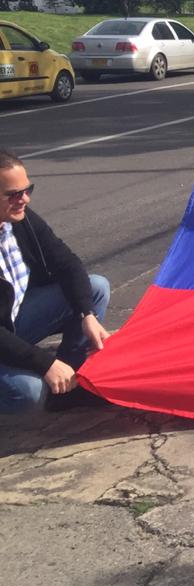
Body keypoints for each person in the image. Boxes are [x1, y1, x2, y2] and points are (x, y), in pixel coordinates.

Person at [0, 150, 111, 413]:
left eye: (28, 189)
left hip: (13, 322)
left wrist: (87, 314)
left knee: (95, 289)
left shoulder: (20, 219)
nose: (24, 199)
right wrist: (43, 363)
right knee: (30, 394)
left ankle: (68, 382)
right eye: (13, 194)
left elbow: (67, 263)